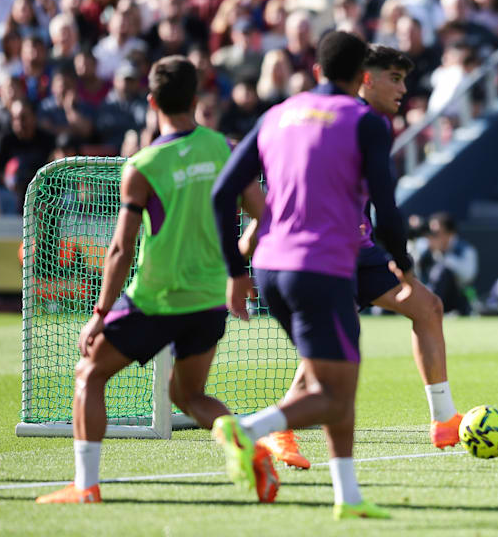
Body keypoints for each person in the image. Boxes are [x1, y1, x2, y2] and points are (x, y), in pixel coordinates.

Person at [36, 56, 274, 504]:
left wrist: (100, 314)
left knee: (89, 372)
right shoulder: (225, 147)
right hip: (209, 299)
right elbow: (265, 214)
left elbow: (120, 250)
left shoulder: (144, 164)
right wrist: (240, 264)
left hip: (154, 298)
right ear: (197, 99)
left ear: (151, 102)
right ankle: (249, 447)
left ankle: (85, 486)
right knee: (190, 395)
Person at [211, 31, 412, 520]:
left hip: (270, 268)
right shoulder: (365, 121)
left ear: (317, 68)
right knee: (334, 394)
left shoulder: (276, 114)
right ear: (363, 75)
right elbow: (385, 207)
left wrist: (236, 272)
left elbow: (222, 194)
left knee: (335, 384)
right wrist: (404, 263)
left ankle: (349, 497)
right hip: (320, 268)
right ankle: (248, 430)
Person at [247, 44, 463, 470]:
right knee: (330, 357)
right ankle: (276, 430)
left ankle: (444, 420)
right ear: (366, 77)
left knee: (427, 308)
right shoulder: (351, 118)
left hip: (356, 249)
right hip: (329, 254)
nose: (403, 89)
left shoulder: (373, 118)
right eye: (394, 79)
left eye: (404, 79)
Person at [413, 212, 478, 315]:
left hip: (455, 302)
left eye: (436, 233)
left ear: (450, 233)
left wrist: (441, 256)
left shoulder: (466, 250)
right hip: (425, 294)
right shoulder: (424, 247)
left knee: (441, 271)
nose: (432, 236)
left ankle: (429, 309)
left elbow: (468, 276)